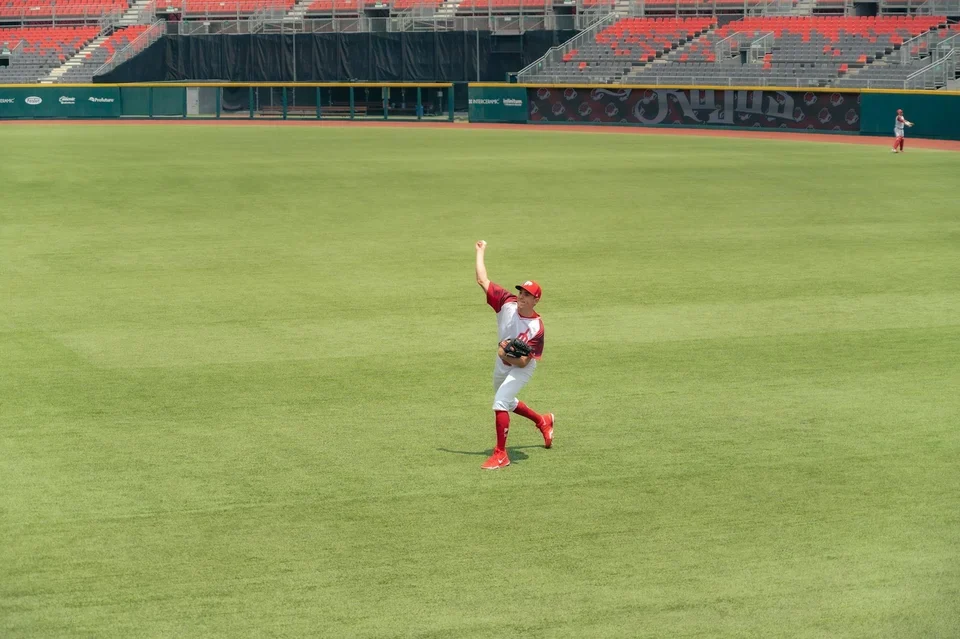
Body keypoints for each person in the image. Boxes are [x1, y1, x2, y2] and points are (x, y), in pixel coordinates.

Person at [474, 240, 554, 470]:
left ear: (536, 300)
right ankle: (543, 420)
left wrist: (504, 354)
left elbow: (524, 361)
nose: (521, 296)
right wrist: (480, 251)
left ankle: (501, 455)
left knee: (500, 402)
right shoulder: (506, 303)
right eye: (521, 292)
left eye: (528, 295)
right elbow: (482, 280)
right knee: (507, 401)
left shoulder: (536, 328)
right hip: (502, 363)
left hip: (522, 367)